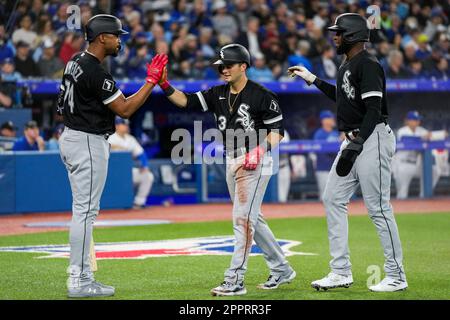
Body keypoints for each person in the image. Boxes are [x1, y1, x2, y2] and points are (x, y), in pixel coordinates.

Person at [158, 43, 296, 296]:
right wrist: (164, 85)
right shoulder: (218, 93)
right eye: (221, 66)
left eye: (228, 65)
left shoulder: (261, 94)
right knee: (253, 219)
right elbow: (186, 101)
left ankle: (235, 280)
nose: (223, 70)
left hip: (255, 160)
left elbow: (278, 132)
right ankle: (282, 268)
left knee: (242, 220)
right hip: (231, 159)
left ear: (243, 66)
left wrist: (260, 150)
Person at [288, 13, 407, 292]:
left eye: (339, 33)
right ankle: (340, 271)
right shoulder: (348, 64)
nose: (334, 37)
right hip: (356, 139)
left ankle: (396, 274)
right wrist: (313, 79)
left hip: (372, 137)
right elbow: (343, 98)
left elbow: (374, 111)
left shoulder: (368, 64)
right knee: (332, 198)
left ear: (353, 36)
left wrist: (357, 144)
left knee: (378, 208)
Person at [57, 14, 167, 298]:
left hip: (71, 136)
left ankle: (82, 276)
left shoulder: (74, 62)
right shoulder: (95, 70)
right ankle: (78, 280)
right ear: (102, 37)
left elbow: (62, 107)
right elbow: (126, 109)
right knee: (85, 214)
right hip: (87, 141)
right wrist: (151, 81)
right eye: (117, 36)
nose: (120, 41)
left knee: (82, 212)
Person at [392, 110, 441, 199]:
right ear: (407, 121)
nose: (417, 122)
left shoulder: (420, 130)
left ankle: (424, 195)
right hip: (403, 164)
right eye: (414, 119)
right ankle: (402, 210)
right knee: (402, 194)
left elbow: (431, 135)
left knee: (434, 171)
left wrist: (440, 134)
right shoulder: (402, 131)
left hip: (416, 165)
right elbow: (405, 139)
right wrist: (422, 138)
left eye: (418, 119)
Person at [108, 117, 154, 209]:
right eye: (123, 124)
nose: (126, 126)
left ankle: (138, 203)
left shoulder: (130, 139)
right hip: (110, 173)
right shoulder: (110, 136)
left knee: (147, 176)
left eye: (126, 124)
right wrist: (115, 147)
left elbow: (141, 154)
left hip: (126, 172)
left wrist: (144, 166)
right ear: (116, 126)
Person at [312, 110, 341, 200]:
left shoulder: (335, 133)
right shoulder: (319, 134)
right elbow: (319, 152)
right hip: (323, 168)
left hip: (335, 169)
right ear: (324, 121)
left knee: (335, 197)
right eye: (330, 118)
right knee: (325, 196)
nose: (333, 120)